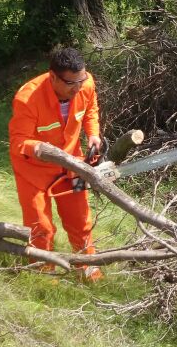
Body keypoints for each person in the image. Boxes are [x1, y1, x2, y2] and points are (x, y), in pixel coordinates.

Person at [8, 47, 105, 281]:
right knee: (40, 225)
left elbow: (91, 110)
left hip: (71, 163)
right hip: (33, 169)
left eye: (81, 81)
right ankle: (44, 275)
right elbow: (18, 142)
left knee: (80, 219)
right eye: (72, 84)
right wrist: (40, 149)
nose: (78, 88)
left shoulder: (86, 83)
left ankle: (88, 268)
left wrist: (93, 134)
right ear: (53, 76)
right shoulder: (28, 98)